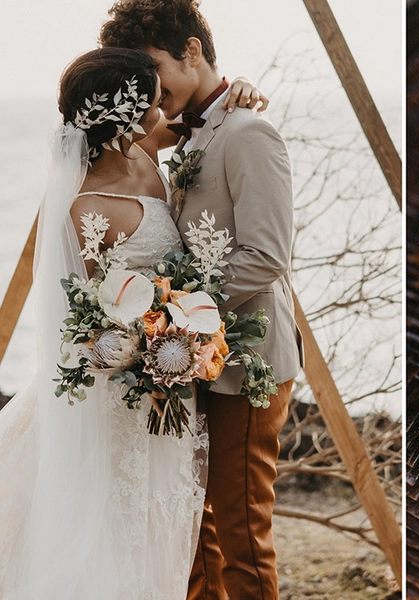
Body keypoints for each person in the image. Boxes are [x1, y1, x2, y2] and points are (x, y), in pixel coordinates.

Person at [0, 47, 269, 598]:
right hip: (125, 388)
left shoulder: (145, 147)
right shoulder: (82, 204)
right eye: (153, 97)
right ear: (127, 110)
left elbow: (203, 119)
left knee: (164, 526)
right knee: (116, 527)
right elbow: (90, 314)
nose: (163, 104)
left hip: (169, 366)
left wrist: (238, 87)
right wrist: (152, 345)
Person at [100, 2, 305, 598]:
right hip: (189, 357)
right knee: (194, 527)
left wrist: (176, 319)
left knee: (242, 534)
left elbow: (267, 258)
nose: (149, 89)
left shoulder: (249, 131)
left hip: (247, 363)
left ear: (192, 50)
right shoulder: (188, 125)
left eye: (155, 68)